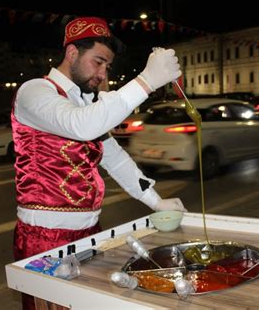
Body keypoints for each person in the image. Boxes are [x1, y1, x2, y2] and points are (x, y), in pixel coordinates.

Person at [11, 16, 187, 309]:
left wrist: (156, 202)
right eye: (98, 61)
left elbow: (115, 157)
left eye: (108, 66)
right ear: (71, 53)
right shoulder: (35, 91)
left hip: (90, 230)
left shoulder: (84, 104)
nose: (103, 73)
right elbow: (81, 126)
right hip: (44, 237)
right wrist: (145, 82)